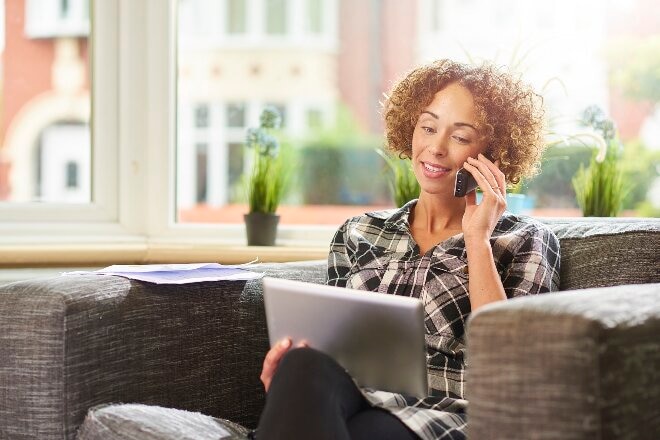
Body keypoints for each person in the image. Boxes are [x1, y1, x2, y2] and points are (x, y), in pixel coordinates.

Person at [252, 59, 561, 440]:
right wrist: (290, 384)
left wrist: (477, 240)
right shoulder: (359, 232)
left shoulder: (525, 240)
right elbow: (330, 348)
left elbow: (509, 361)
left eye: (460, 137)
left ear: (494, 154)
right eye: (428, 127)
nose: (436, 147)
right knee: (300, 365)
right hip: (351, 400)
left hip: (444, 418)